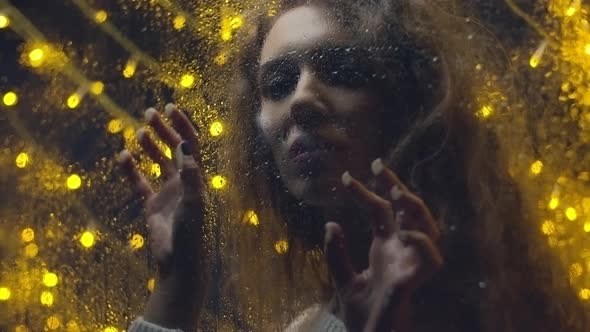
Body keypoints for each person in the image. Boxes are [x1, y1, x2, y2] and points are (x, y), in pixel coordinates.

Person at [119, 0, 590, 331]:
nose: (301, 99)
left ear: (406, 106)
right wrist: (179, 283)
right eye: (279, 82)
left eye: (343, 70)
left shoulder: (476, 304)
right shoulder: (315, 320)